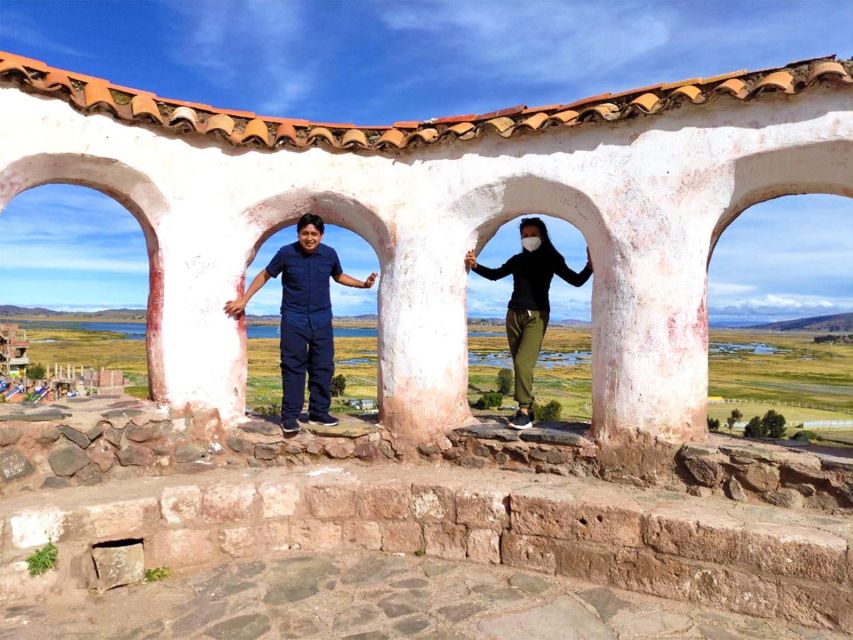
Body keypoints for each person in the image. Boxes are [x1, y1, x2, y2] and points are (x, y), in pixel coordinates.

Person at [225, 213, 378, 435]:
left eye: (314, 234)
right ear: (298, 234)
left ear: (321, 235)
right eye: (305, 233)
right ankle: (290, 416)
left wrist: (363, 285)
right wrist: (244, 299)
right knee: (293, 367)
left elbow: (339, 276)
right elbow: (265, 275)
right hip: (293, 319)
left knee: (323, 367)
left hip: (322, 319)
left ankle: (319, 413)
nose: (309, 238)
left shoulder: (329, 254)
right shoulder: (286, 253)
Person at [465, 217, 593, 430]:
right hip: (513, 314)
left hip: (537, 316)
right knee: (518, 363)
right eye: (524, 235)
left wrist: (590, 266)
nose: (528, 238)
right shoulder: (517, 260)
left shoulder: (552, 258)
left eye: (532, 234)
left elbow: (576, 281)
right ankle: (529, 407)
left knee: (524, 363)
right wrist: (475, 266)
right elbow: (495, 275)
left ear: (541, 235)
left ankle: (524, 411)